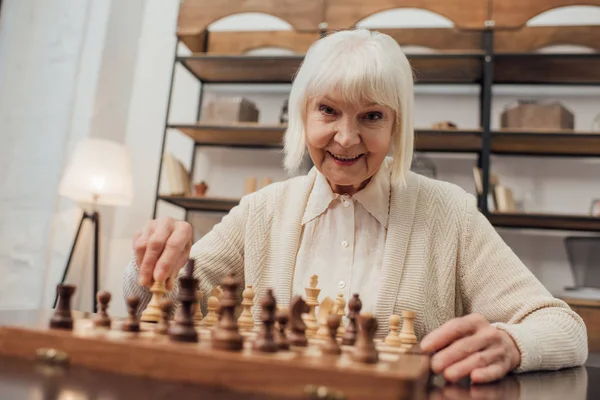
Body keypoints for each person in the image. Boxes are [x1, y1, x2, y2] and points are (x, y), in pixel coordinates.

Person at [123, 29, 587, 383]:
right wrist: (154, 259)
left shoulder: (451, 214)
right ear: (303, 113)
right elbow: (154, 308)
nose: (347, 138)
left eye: (371, 116)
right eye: (328, 110)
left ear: (396, 126)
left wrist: (510, 343)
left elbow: (566, 328)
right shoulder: (260, 212)